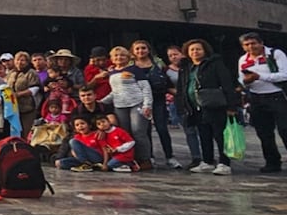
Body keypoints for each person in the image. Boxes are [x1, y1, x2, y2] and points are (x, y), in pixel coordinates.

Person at [237, 32, 287, 174]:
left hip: (278, 97)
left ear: (261, 43)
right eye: (247, 44)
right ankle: (272, 162)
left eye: (253, 43)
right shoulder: (243, 59)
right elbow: (241, 78)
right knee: (264, 133)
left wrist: (259, 76)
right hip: (256, 98)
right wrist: (245, 82)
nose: (251, 47)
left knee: (286, 131)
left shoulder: (275, 54)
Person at [176, 39, 240, 175]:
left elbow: (227, 84)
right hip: (194, 107)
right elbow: (181, 87)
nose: (195, 52)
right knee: (204, 134)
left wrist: (232, 106)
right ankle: (207, 161)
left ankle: (224, 163)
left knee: (219, 135)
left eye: (198, 49)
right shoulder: (186, 67)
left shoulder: (215, 64)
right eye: (192, 49)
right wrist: (182, 106)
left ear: (205, 50)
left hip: (214, 105)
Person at [101, 46, 154, 170]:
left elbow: (145, 88)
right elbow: (115, 92)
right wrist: (101, 101)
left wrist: (147, 105)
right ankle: (130, 158)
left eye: (122, 55)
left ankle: (145, 159)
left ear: (128, 57)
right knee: (125, 134)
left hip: (137, 103)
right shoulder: (112, 73)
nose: (119, 58)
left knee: (139, 132)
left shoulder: (135, 70)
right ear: (112, 59)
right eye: (116, 56)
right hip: (120, 105)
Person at [131, 40, 181, 169]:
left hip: (158, 99)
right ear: (133, 51)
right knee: (144, 130)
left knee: (162, 128)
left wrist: (175, 92)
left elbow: (167, 79)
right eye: (137, 49)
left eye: (143, 48)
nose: (140, 51)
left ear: (148, 49)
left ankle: (169, 156)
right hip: (139, 100)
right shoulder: (131, 64)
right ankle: (149, 156)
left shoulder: (158, 62)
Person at [6, 51, 40, 132]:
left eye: (22, 60)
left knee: (26, 130)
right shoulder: (11, 72)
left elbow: (35, 88)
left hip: (27, 107)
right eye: (17, 60)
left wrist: (18, 94)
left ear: (27, 62)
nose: (19, 62)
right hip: (12, 107)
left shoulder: (31, 73)